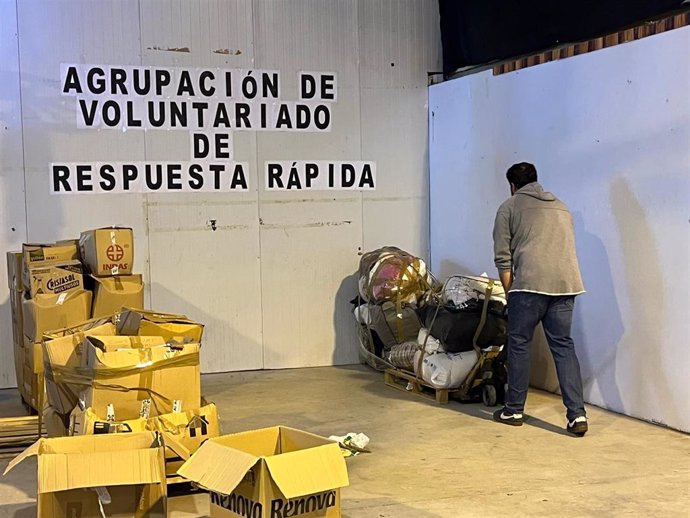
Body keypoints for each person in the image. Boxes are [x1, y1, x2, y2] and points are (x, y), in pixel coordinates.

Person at [491, 162, 588, 436]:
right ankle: (577, 416)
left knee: (520, 344)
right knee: (564, 347)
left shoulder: (509, 207)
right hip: (566, 285)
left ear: (512, 185)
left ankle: (514, 410)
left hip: (530, 285)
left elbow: (503, 258)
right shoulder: (561, 206)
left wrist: (511, 293)